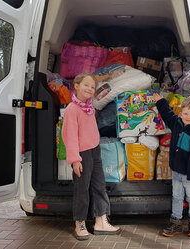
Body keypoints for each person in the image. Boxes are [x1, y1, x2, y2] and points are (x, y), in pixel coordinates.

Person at [62, 73, 121, 240]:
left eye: (93, 87)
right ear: (77, 85)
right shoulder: (72, 109)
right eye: (86, 85)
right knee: (82, 189)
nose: (89, 88)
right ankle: (79, 222)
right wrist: (75, 160)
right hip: (81, 154)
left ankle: (101, 220)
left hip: (95, 151)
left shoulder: (89, 108)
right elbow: (70, 136)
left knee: (99, 185)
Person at [153, 93, 190, 237]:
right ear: (181, 113)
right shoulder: (177, 123)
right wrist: (160, 101)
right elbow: (167, 113)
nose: (188, 116)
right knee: (176, 196)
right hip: (177, 171)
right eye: (185, 113)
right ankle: (175, 222)